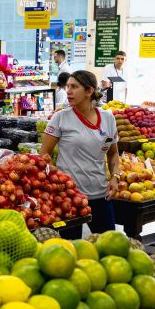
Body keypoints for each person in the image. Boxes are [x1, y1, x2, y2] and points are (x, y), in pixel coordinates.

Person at [39, 70, 120, 233]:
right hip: (68, 197)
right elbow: (44, 154)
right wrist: (56, 182)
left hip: (101, 195)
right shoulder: (60, 118)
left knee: (109, 247)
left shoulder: (108, 118)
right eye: (68, 86)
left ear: (89, 91)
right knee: (69, 251)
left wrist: (115, 177)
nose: (68, 91)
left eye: (74, 87)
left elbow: (113, 153)